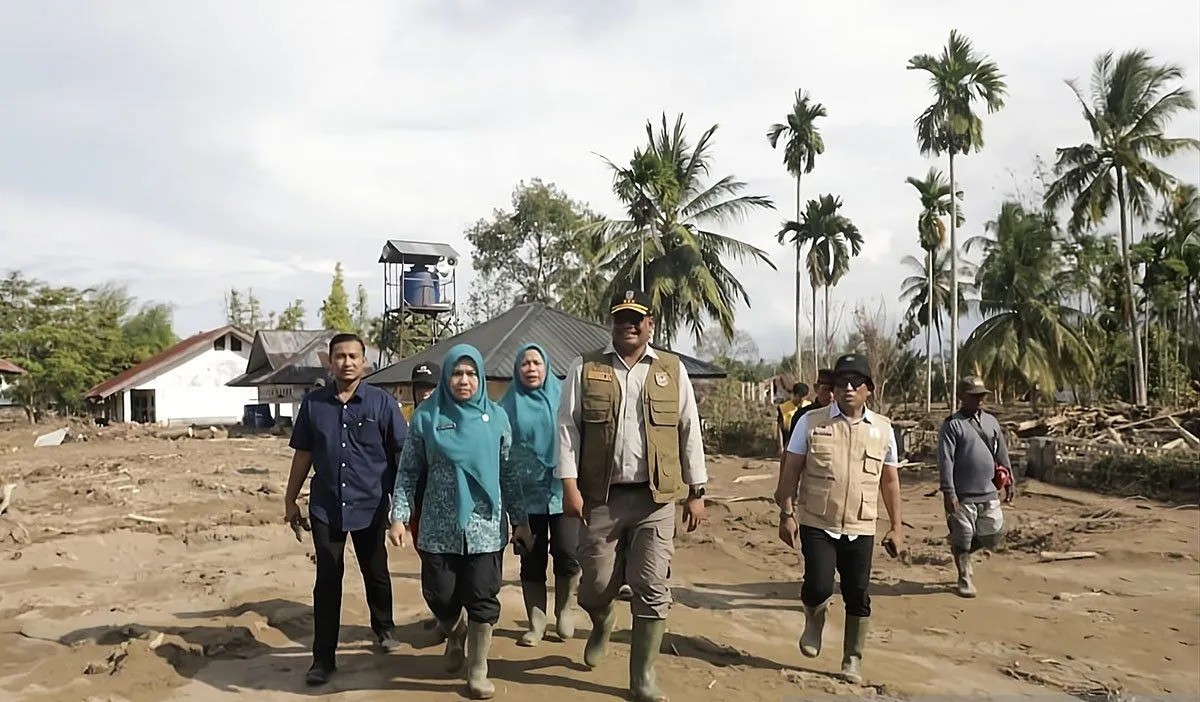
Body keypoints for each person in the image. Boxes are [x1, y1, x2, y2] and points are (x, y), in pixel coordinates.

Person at [556, 289, 707, 702]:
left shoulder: (671, 370)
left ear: (650, 324)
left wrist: (697, 490)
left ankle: (642, 678)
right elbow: (567, 429)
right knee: (594, 587)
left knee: (652, 585)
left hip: (655, 499)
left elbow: (689, 429)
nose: (629, 325)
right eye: (622, 317)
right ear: (612, 323)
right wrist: (569, 484)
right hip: (600, 498)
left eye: (637, 318)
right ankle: (603, 619)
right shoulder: (585, 367)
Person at [389, 344, 533, 700]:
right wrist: (399, 517)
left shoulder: (497, 418)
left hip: (486, 528)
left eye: (471, 374)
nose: (464, 380)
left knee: (483, 598)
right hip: (439, 528)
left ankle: (478, 668)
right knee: (440, 596)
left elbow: (509, 473)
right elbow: (408, 471)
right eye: (457, 373)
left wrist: (520, 520)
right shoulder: (426, 417)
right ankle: (454, 632)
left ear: (480, 377)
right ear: (447, 377)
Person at [283, 333, 407, 686]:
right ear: (330, 362)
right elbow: (303, 454)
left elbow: (401, 457)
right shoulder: (314, 405)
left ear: (364, 361)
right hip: (326, 505)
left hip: (371, 504)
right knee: (327, 578)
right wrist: (290, 498)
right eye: (340, 356)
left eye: (353, 356)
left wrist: (400, 510)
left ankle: (384, 628)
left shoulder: (383, 404)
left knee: (375, 570)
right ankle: (323, 659)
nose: (347, 362)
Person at [774, 353, 904, 684]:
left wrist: (896, 527)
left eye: (856, 382)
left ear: (868, 389)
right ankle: (814, 618)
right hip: (817, 520)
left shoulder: (883, 430)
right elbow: (791, 469)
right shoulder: (810, 422)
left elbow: (889, 481)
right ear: (833, 388)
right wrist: (786, 513)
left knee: (857, 593)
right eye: (842, 382)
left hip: (861, 524)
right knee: (818, 585)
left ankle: (852, 658)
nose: (848, 388)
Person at [500, 343, 581, 647]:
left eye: (537, 363)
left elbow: (577, 437)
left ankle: (564, 610)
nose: (531, 369)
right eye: (525, 363)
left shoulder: (563, 398)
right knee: (531, 559)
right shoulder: (506, 406)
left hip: (562, 491)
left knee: (567, 551)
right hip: (524, 496)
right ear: (517, 369)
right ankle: (536, 624)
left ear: (546, 367)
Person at [938, 375, 1014, 598]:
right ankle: (964, 575)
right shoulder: (952, 425)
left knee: (994, 532)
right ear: (962, 397)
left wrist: (1009, 480)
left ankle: (960, 550)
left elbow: (1002, 453)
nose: (979, 400)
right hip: (962, 494)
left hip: (989, 490)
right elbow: (946, 460)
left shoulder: (991, 422)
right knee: (963, 534)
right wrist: (948, 491)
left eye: (981, 396)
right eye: (974, 396)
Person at [788, 369, 835, 441]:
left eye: (834, 390)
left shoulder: (842, 416)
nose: (831, 395)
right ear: (816, 388)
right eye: (826, 389)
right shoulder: (803, 416)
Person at [776, 382, 810, 457]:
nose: (801, 400)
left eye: (804, 397)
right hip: (789, 441)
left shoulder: (809, 406)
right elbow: (779, 429)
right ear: (794, 395)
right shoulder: (783, 408)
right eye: (799, 397)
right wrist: (780, 447)